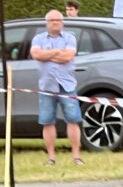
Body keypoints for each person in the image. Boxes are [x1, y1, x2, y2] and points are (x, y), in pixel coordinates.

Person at [30, 9, 84, 166]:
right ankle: (51, 158)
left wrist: (47, 54)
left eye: (58, 20)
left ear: (62, 22)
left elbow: (68, 57)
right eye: (52, 20)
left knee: (73, 119)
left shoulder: (70, 37)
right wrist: (56, 52)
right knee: (47, 121)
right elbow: (36, 55)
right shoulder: (38, 38)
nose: (55, 22)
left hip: (67, 85)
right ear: (46, 23)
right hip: (46, 86)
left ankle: (77, 157)